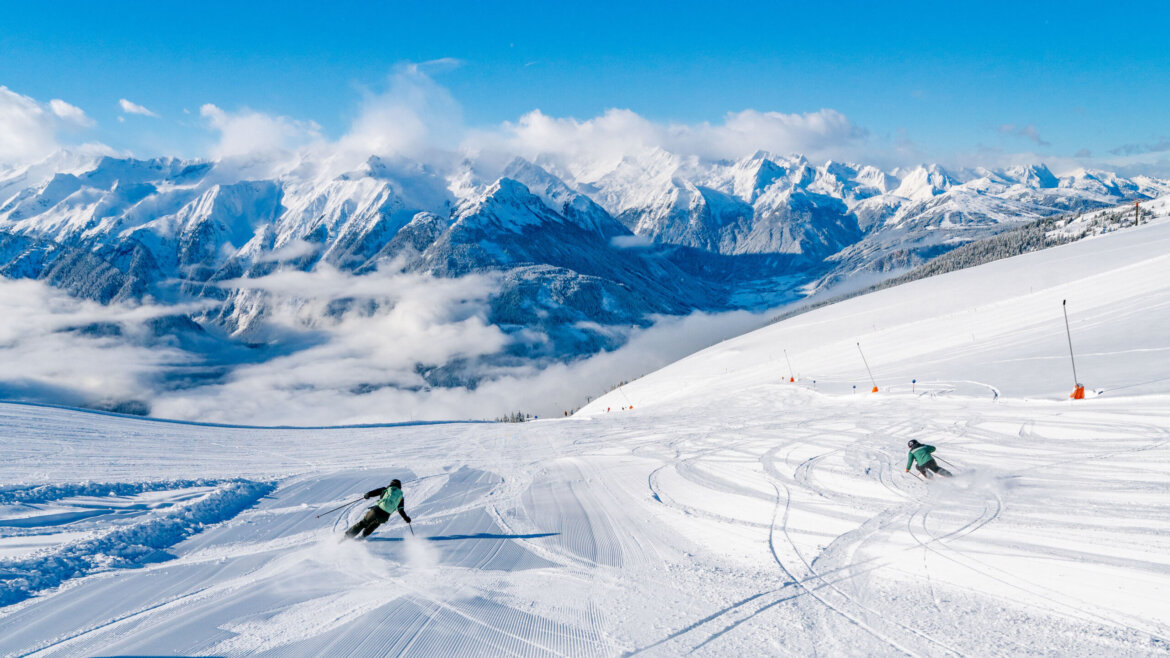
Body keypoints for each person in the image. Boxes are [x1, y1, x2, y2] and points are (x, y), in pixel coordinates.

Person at [345, 478, 411, 539]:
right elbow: (401, 510)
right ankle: (362, 537)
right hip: (385, 516)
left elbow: (374, 492)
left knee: (363, 523)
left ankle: (346, 537)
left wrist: (367, 495)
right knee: (374, 525)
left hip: (376, 510)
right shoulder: (400, 497)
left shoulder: (386, 489)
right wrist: (406, 519)